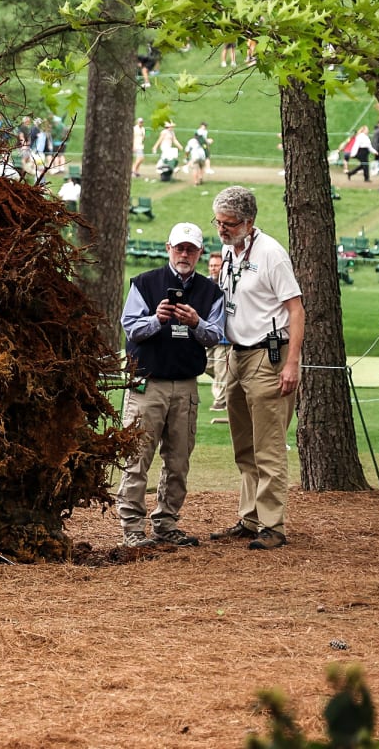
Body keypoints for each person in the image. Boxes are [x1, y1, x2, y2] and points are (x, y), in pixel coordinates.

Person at [116, 222, 225, 548]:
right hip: (147, 386)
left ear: (200, 253)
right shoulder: (146, 284)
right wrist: (157, 319)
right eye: (179, 248)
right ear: (168, 248)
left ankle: (166, 523)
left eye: (191, 249)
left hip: (186, 386)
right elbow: (131, 327)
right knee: (137, 460)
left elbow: (218, 334)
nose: (184, 254)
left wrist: (195, 323)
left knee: (178, 462)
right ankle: (132, 529)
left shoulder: (210, 292)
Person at [209, 186, 304, 551]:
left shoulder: (272, 255)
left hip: (268, 354)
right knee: (244, 445)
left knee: (268, 446)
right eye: (218, 222)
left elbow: (296, 310)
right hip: (236, 353)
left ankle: (272, 525)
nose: (222, 229)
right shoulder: (229, 251)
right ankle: (249, 518)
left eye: (229, 223)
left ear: (250, 222)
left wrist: (291, 363)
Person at [205, 252, 230, 412]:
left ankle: (220, 402)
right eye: (212, 265)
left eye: (217, 265)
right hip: (207, 333)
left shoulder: (228, 284)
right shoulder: (204, 284)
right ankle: (230, 383)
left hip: (224, 337)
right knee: (205, 364)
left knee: (221, 369)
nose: (214, 268)